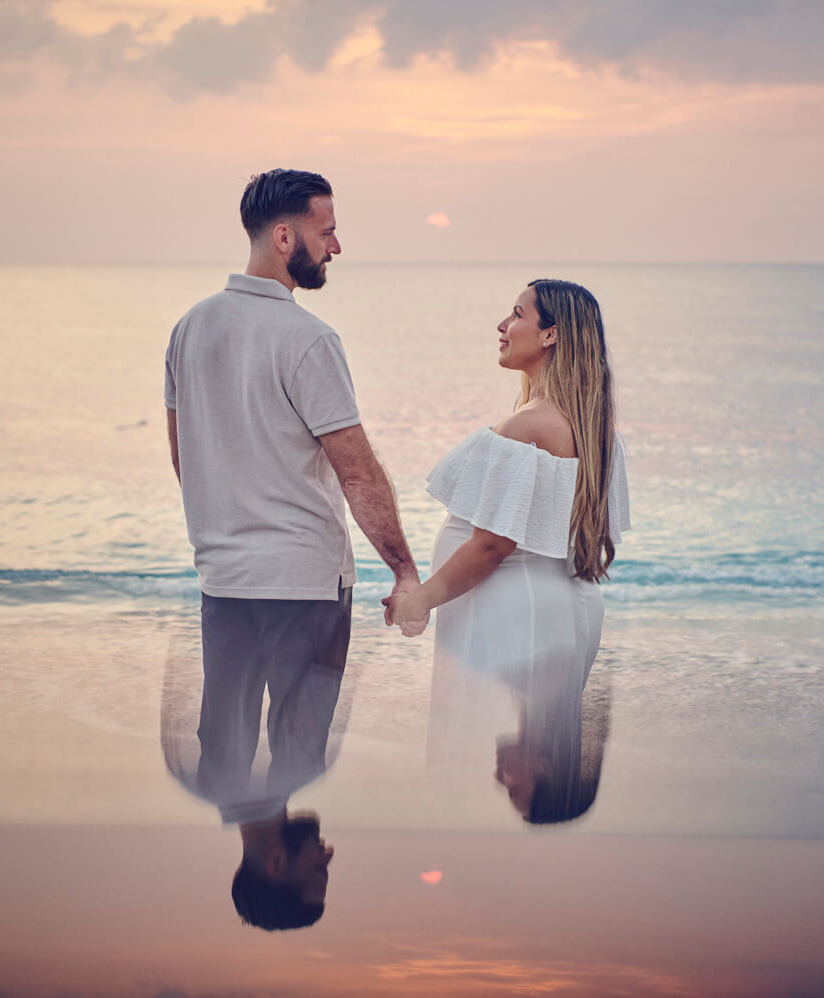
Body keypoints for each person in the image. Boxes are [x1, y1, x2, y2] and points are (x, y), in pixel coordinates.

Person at [163, 168, 421, 928]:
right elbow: (357, 470)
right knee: (297, 743)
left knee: (230, 737)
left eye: (315, 872)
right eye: (325, 229)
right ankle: (263, 818)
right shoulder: (307, 339)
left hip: (225, 580)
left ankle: (254, 820)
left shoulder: (189, 328)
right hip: (303, 584)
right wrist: (405, 569)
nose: (335, 244)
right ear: (285, 237)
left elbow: (186, 459)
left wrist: (224, 528)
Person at [386, 279, 630, 823]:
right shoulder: (593, 428)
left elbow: (493, 543)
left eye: (516, 314)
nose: (502, 325)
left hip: (516, 612)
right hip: (547, 609)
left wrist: (422, 597)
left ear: (550, 335)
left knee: (479, 746)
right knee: (536, 729)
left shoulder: (530, 425)